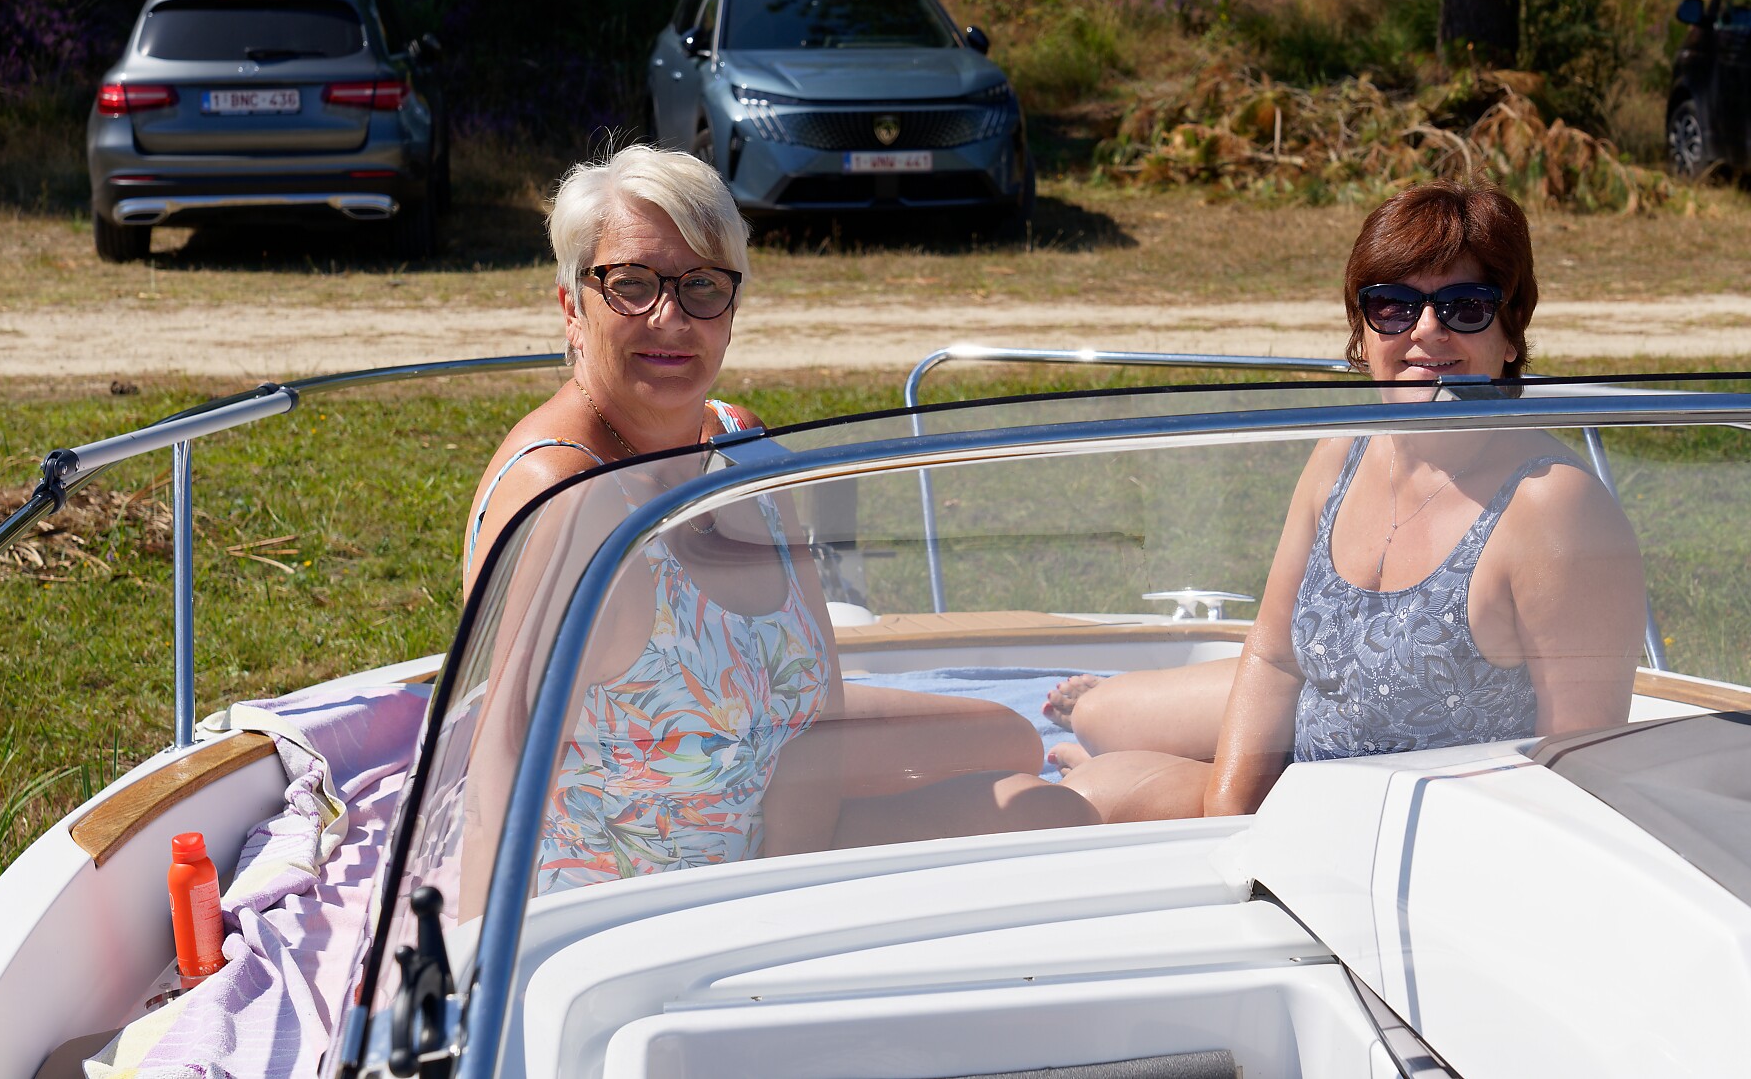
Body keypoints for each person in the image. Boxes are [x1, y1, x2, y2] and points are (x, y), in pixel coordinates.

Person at [465, 145, 1092, 895]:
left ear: (732, 309)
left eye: (702, 285)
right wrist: (473, 960)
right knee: (1051, 816)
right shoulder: (568, 495)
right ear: (573, 304)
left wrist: (793, 871)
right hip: (638, 898)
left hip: (770, 823)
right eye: (631, 284)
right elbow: (499, 769)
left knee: (1024, 763)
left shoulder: (740, 445)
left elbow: (819, 702)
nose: (670, 317)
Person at [1051, 181, 1646, 822]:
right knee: (1098, 716)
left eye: (1465, 306)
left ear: (1510, 335)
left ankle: (1129, 758)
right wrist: (1230, 815)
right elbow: (1275, 655)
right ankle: (1129, 736)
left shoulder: (1554, 509)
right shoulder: (1345, 451)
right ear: (1362, 335)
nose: (1427, 330)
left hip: (1410, 832)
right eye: (1392, 306)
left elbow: (1577, 780)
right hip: (1309, 759)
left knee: (1088, 796)